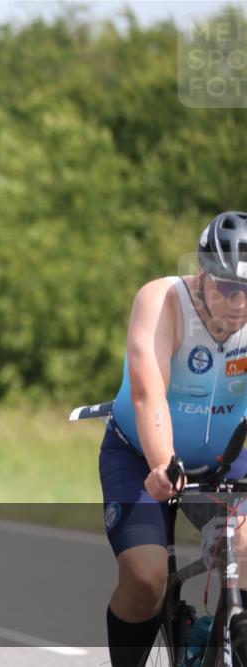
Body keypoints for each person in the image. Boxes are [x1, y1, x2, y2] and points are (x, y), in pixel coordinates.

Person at [101, 211, 247, 665]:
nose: (238, 304)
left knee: (244, 555)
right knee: (146, 580)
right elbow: (148, 394)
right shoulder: (162, 300)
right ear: (201, 275)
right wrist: (164, 463)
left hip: (229, 459)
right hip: (143, 457)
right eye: (226, 288)